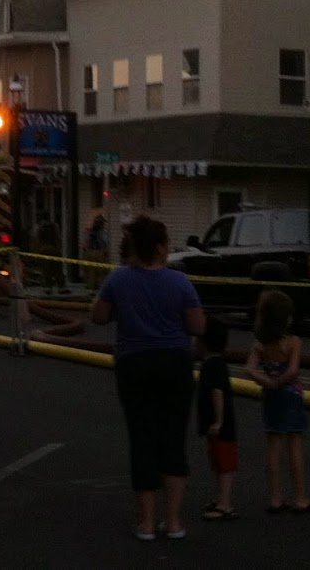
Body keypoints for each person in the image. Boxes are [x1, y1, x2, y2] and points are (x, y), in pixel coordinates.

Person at [91, 215, 205, 541]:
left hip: (133, 364)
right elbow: (198, 327)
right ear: (158, 248)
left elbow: (98, 316)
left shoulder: (119, 280)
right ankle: (173, 521)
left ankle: (146, 522)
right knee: (172, 439)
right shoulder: (180, 282)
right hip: (174, 363)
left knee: (142, 439)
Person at [247, 289, 310, 513]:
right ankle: (301, 497)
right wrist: (281, 381)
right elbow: (294, 370)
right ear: (285, 319)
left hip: (271, 396)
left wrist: (268, 381)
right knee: (295, 442)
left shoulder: (260, 344)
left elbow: (249, 368)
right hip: (291, 395)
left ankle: (276, 497)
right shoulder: (294, 342)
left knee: (273, 445)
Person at [195, 316, 240, 522]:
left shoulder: (213, 366)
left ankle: (225, 504)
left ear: (203, 342)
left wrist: (218, 421)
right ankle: (220, 499)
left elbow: (217, 393)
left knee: (224, 464)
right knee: (218, 462)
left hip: (221, 426)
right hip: (216, 425)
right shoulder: (213, 363)